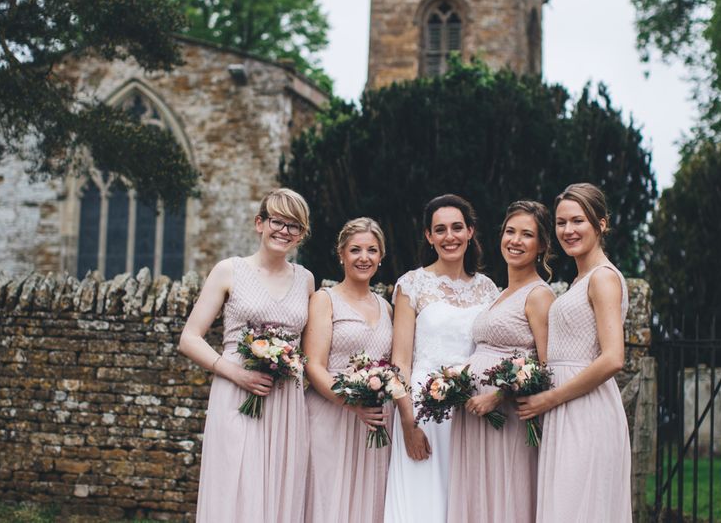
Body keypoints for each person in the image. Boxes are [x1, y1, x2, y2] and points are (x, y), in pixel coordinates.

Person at [179, 188, 315, 523]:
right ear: (260, 223)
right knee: (237, 484)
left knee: (280, 486)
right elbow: (189, 338)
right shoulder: (229, 270)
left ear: (301, 234)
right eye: (277, 221)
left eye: (294, 225)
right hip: (237, 392)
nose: (284, 231)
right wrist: (236, 373)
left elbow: (309, 353)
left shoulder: (306, 280)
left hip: (286, 400)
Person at [516, 182, 632, 522]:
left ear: (602, 223)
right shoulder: (580, 280)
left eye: (578, 221)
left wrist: (550, 399)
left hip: (585, 411)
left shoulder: (603, 279)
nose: (568, 230)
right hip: (564, 409)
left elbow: (613, 358)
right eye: (562, 223)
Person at [384, 194, 498, 523]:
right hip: (424, 410)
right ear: (429, 236)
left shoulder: (488, 289)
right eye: (440, 229)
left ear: (471, 231)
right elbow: (400, 363)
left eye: (457, 227)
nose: (450, 236)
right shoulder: (412, 284)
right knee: (423, 503)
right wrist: (407, 421)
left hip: (471, 409)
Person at [447, 200, 555, 523]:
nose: (515, 241)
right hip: (474, 417)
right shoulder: (499, 293)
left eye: (527, 235)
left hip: (507, 419)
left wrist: (499, 395)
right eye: (510, 231)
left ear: (542, 245)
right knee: (478, 499)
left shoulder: (539, 295)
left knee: (506, 496)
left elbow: (547, 366)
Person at [303, 217, 394, 523]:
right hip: (331, 414)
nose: (364, 257)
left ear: (381, 256)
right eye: (355, 250)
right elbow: (314, 365)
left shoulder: (387, 307)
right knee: (328, 500)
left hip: (375, 422)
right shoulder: (324, 300)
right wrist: (351, 404)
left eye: (372, 250)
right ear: (341, 254)